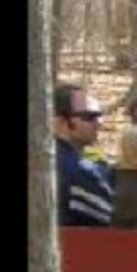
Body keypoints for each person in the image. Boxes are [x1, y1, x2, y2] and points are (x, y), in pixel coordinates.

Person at [52, 82, 115, 227]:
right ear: (60, 121)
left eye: (99, 116)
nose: (99, 124)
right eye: (89, 116)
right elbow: (111, 226)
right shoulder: (80, 172)